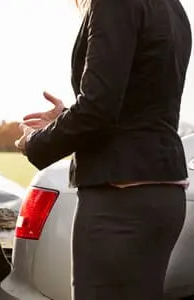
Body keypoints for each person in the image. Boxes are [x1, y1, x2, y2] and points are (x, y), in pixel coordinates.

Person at [15, 0, 191, 299]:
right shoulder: (172, 7)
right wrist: (67, 118)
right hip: (163, 193)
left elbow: (98, 108)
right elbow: (140, 103)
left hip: (120, 197)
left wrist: (36, 142)